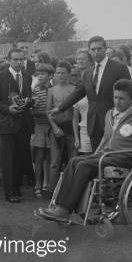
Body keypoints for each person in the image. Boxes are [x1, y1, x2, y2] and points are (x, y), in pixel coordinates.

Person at [39, 80, 132, 221]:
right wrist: (96, 153)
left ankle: (64, 210)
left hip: (127, 157)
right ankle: (59, 207)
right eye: (115, 97)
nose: (117, 102)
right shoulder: (109, 114)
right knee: (74, 160)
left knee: (84, 165)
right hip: (107, 155)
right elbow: (106, 138)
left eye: (122, 98)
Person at [50, 36, 131, 151]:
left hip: (114, 121)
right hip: (94, 123)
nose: (96, 52)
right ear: (89, 51)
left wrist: (122, 115)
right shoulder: (88, 72)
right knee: (96, 160)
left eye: (99, 49)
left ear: (105, 49)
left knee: (113, 159)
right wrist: (60, 108)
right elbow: (79, 92)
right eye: (93, 49)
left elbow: (129, 93)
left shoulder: (119, 68)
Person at [0, 48, 34, 203]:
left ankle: (16, 188)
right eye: (15, 59)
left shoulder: (28, 77)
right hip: (7, 123)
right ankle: (10, 193)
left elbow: (29, 98)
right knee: (8, 159)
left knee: (21, 158)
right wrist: (8, 109)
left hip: (24, 123)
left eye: (21, 59)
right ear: (8, 59)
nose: (18, 62)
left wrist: (29, 102)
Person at [47, 61, 77, 189]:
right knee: (55, 161)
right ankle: (52, 189)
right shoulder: (51, 90)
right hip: (57, 127)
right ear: (54, 75)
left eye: (63, 73)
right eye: (58, 73)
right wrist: (54, 127)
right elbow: (48, 111)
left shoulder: (75, 89)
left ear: (69, 74)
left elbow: (77, 112)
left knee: (73, 159)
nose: (60, 75)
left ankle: (73, 188)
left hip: (71, 127)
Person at [31, 63, 54, 197]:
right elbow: (33, 110)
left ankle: (48, 184)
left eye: (43, 74)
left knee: (50, 157)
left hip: (52, 127)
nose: (40, 76)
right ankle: (37, 185)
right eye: (38, 73)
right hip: (39, 126)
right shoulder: (35, 90)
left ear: (50, 76)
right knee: (39, 157)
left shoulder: (54, 89)